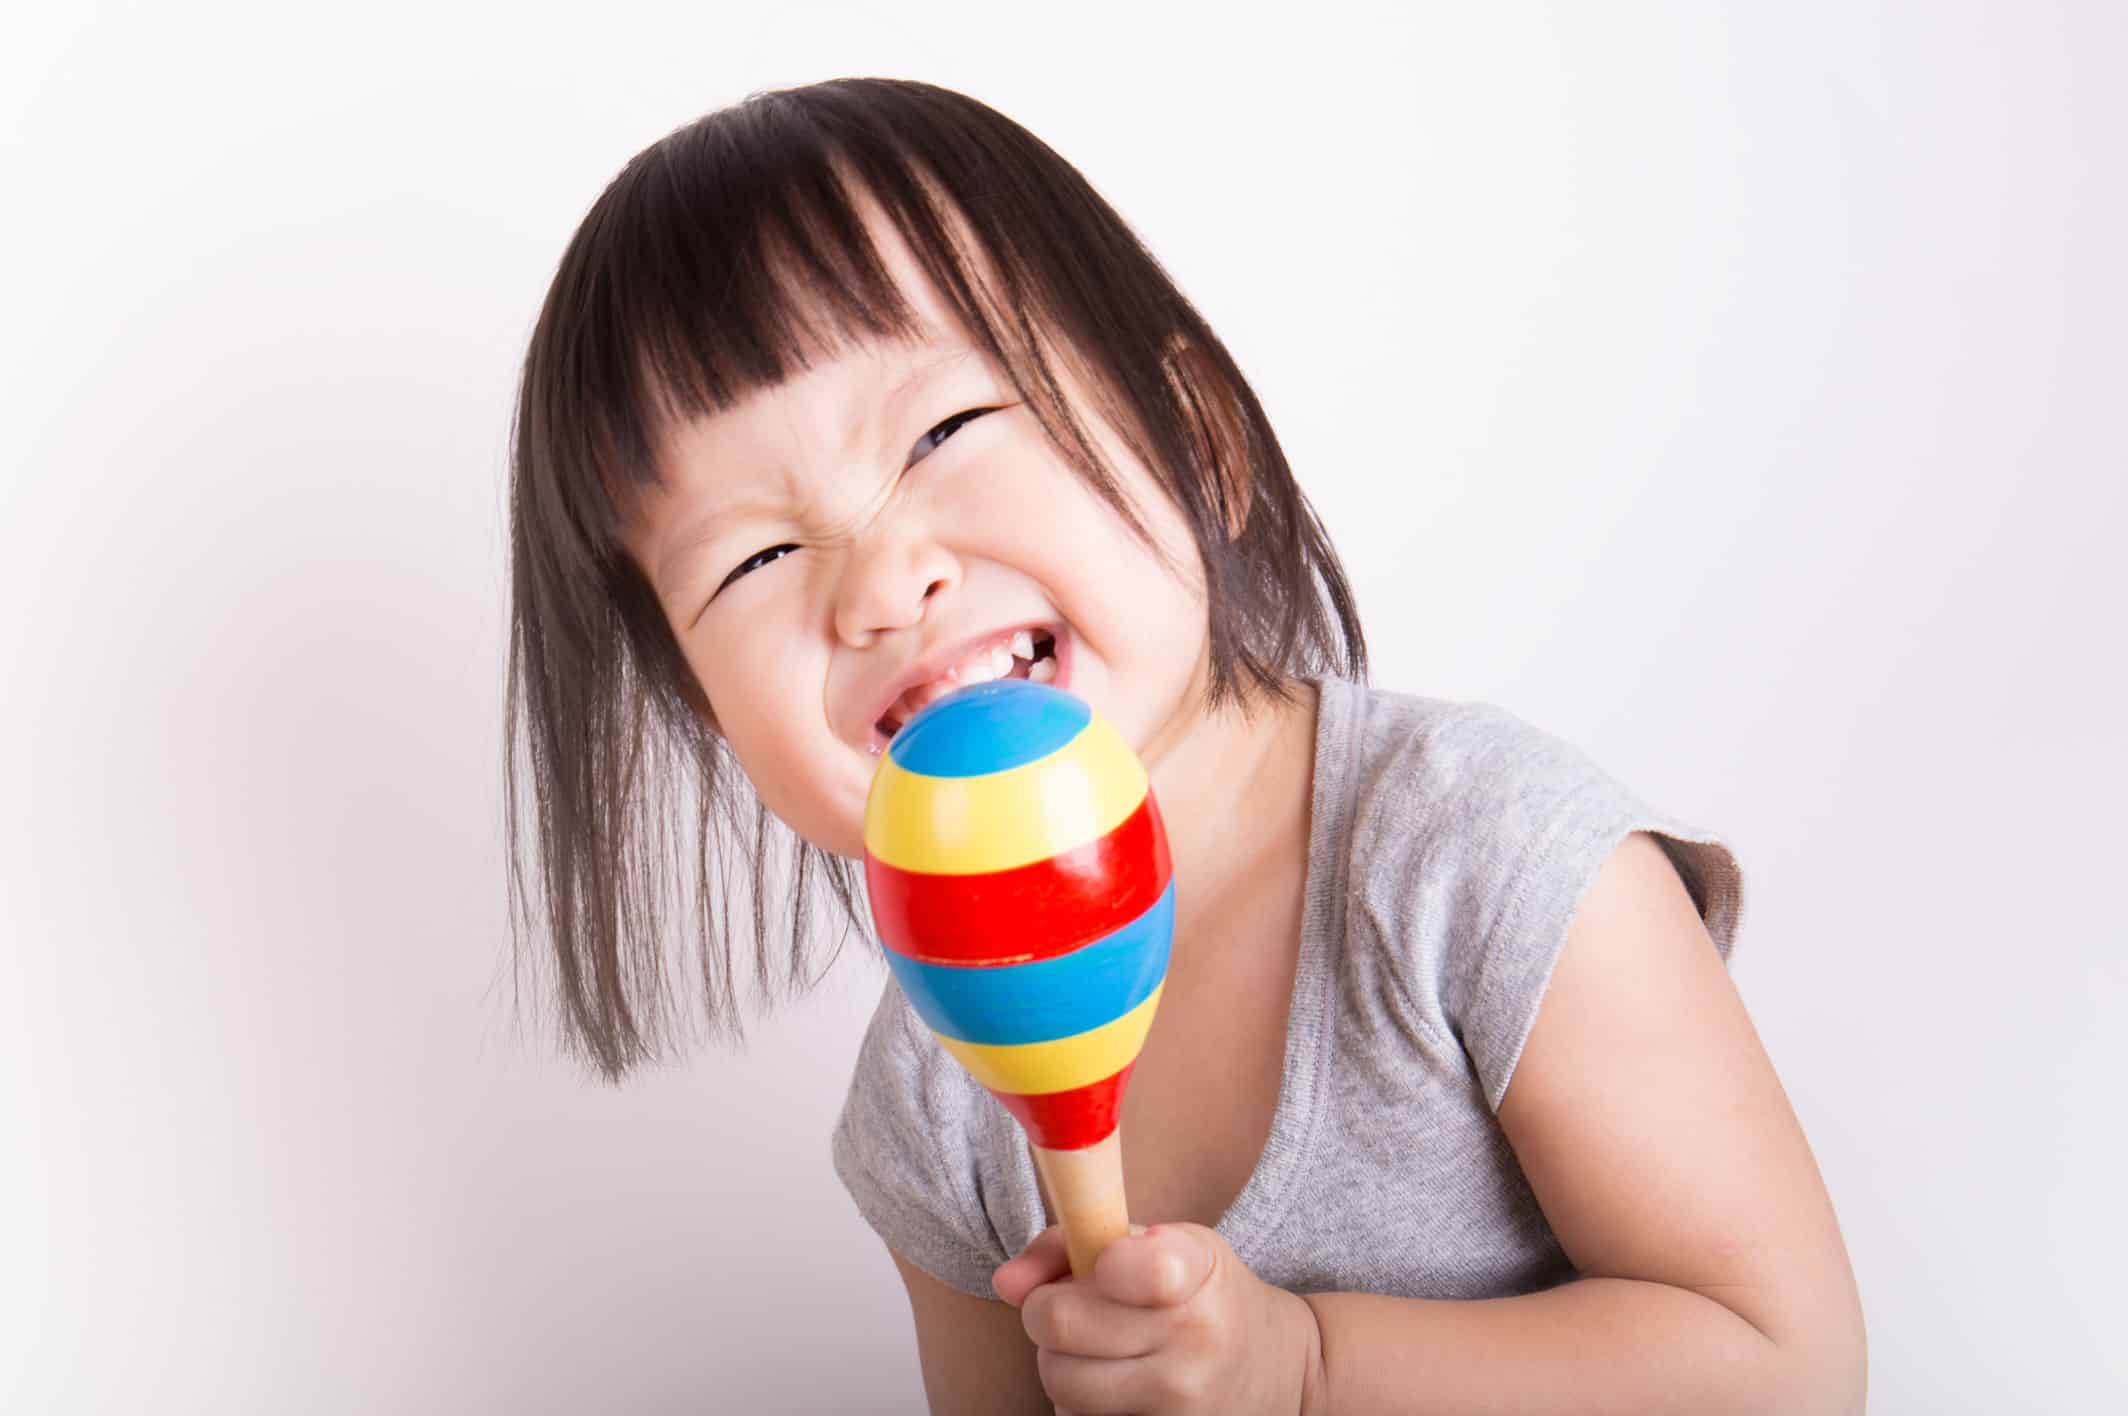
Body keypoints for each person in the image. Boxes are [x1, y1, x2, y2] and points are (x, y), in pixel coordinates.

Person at [503, 77, 1866, 1413]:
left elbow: (1787, 1369)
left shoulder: (1481, 860)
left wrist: (1308, 1370)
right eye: (755, 558)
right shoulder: (932, 1099)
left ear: (1198, 441)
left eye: (944, 430)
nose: (876, 583)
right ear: (708, 719)